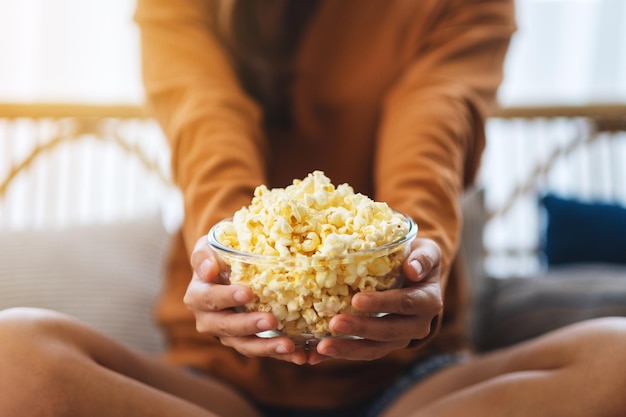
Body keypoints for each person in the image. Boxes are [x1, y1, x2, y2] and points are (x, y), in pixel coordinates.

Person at [1, 1, 626, 416]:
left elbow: (434, 128)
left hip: (411, 386)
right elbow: (206, 127)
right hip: (218, 388)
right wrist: (223, 251)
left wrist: (421, 252)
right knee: (15, 355)